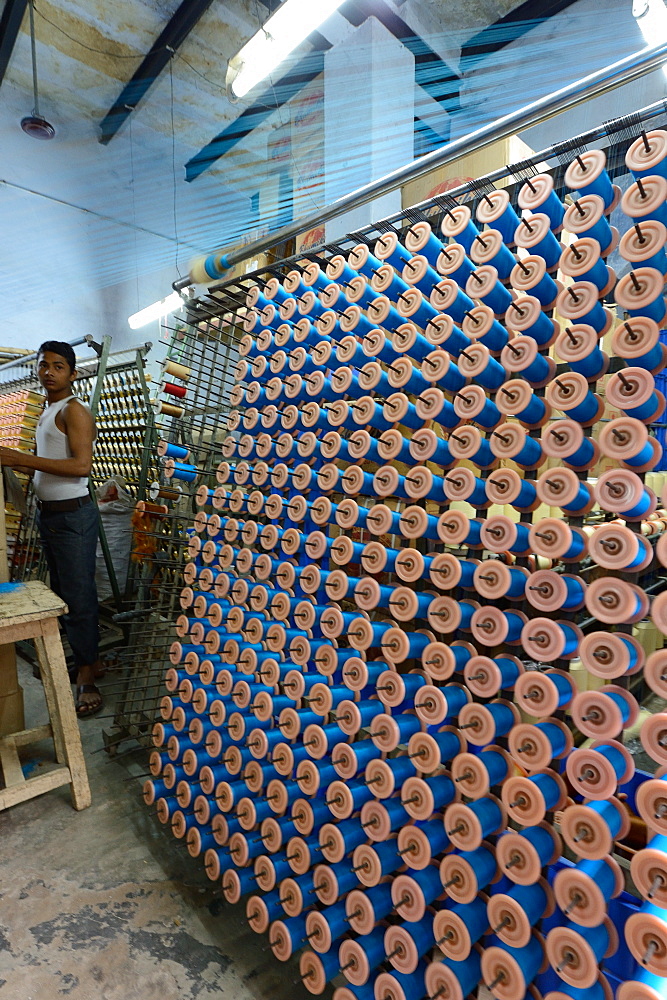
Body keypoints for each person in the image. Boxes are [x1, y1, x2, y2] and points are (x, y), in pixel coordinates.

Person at [0, 341, 103, 717]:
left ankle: (87, 677)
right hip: (52, 516)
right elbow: (49, 465)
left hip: (73, 517)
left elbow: (80, 467)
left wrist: (20, 458)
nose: (49, 371)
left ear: (72, 374)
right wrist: (20, 470)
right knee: (64, 594)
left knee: (79, 598)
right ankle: (84, 660)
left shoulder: (75, 411)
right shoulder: (48, 411)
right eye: (44, 365)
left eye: (58, 366)